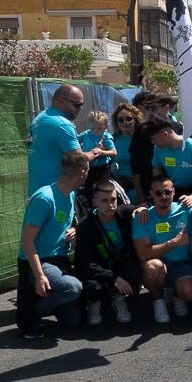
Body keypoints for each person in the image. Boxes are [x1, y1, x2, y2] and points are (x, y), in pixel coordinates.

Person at [17, 151, 89, 338]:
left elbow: (64, 222)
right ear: (82, 173)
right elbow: (27, 240)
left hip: (60, 259)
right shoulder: (44, 198)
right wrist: (40, 276)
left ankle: (46, 302)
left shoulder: (71, 195)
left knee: (73, 321)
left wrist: (73, 229)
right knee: (72, 287)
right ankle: (33, 311)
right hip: (39, 260)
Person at [133, 174, 192, 324]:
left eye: (167, 192)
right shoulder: (143, 216)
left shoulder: (186, 210)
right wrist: (172, 243)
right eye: (158, 193)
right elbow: (142, 253)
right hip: (160, 265)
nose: (163, 196)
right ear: (151, 194)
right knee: (151, 266)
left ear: (174, 192)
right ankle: (159, 301)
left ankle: (176, 294)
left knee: (191, 293)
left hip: (183, 265)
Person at [74, 179, 140, 326]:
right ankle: (94, 302)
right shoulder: (85, 226)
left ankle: (119, 298)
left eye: (113, 199)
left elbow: (143, 207)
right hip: (97, 269)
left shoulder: (124, 214)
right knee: (93, 286)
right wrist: (114, 278)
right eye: (104, 200)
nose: (110, 204)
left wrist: (141, 209)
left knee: (134, 270)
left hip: (119, 264)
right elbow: (84, 263)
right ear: (94, 202)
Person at [28, 84, 97, 196]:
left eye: (81, 105)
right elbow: (79, 161)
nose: (80, 109)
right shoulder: (62, 124)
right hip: (58, 193)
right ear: (61, 101)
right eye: (76, 105)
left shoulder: (39, 119)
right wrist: (94, 152)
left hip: (38, 192)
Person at [150, 119, 192, 199]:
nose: (152, 142)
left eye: (154, 138)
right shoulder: (158, 148)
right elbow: (156, 167)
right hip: (171, 189)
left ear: (165, 134)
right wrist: (159, 186)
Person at [78, 110, 117, 191]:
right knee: (89, 190)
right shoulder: (85, 134)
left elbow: (114, 152)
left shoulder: (106, 136)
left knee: (103, 190)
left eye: (99, 128)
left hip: (103, 169)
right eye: (93, 128)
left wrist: (101, 152)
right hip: (89, 168)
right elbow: (73, 142)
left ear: (106, 126)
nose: (95, 131)